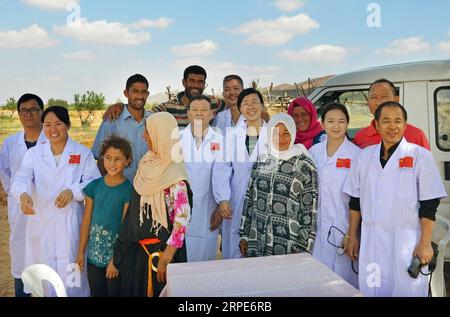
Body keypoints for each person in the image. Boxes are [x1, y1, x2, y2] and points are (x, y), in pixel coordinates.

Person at [343, 101, 447, 297]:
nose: (393, 126)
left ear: (405, 125)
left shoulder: (419, 156)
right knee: (372, 289)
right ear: (376, 125)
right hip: (371, 242)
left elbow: (429, 204)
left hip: (406, 243)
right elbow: (355, 201)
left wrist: (425, 243)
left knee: (405, 289)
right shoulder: (364, 157)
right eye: (386, 121)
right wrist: (352, 236)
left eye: (398, 121)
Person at [11, 106, 101, 297]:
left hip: (71, 224)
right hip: (43, 223)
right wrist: (23, 195)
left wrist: (73, 191)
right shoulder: (34, 154)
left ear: (68, 125)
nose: (53, 129)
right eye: (48, 125)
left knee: (74, 278)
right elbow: (21, 179)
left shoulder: (82, 153)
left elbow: (94, 182)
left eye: (58, 124)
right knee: (47, 276)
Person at [113, 112, 192, 297]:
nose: (144, 136)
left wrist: (165, 259)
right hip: (138, 253)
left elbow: (182, 220)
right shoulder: (147, 163)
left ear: (160, 134)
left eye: (148, 132)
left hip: (163, 257)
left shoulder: (175, 173)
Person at [239, 113, 318, 257]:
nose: (280, 139)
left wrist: (303, 247)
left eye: (286, 133)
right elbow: (249, 199)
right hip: (257, 238)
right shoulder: (262, 159)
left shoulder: (305, 165)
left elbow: (309, 210)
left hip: (289, 244)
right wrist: (244, 235)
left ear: (293, 133)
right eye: (275, 133)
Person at [212, 88, 268, 259]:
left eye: (254, 102)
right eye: (245, 103)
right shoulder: (232, 136)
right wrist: (222, 199)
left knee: (262, 248)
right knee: (235, 249)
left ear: (262, 105)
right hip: (237, 200)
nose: (250, 107)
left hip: (265, 200)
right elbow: (222, 168)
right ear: (240, 108)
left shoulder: (273, 134)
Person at [0, 94, 47, 297]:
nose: (29, 114)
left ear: (41, 112)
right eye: (24, 110)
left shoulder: (53, 139)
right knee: (20, 252)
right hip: (20, 209)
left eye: (34, 109)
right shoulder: (10, 143)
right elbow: (5, 173)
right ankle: (22, 292)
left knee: (46, 252)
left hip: (47, 208)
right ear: (18, 113)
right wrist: (16, 194)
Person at [309, 103, 360, 288]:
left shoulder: (356, 155)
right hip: (317, 227)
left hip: (344, 226)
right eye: (330, 121)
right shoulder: (314, 152)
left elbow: (358, 199)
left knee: (343, 282)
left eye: (341, 121)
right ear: (322, 124)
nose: (336, 126)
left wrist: (351, 233)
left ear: (347, 124)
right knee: (318, 280)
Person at [76, 135, 133, 297]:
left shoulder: (128, 190)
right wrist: (81, 252)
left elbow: (124, 228)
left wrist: (114, 260)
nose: (112, 163)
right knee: (96, 293)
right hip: (93, 257)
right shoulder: (94, 187)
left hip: (116, 259)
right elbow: (86, 221)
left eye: (117, 159)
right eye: (108, 158)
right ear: (102, 158)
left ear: (127, 160)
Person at [103, 65, 223, 128]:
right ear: (184, 82)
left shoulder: (213, 102)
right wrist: (121, 106)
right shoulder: (168, 108)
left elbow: (233, 103)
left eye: (200, 81)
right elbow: (142, 115)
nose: (196, 85)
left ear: (204, 84)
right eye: (192, 80)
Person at [181, 95, 223, 262]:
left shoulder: (221, 140)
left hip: (209, 211)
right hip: (180, 211)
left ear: (212, 114)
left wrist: (221, 206)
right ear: (188, 113)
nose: (200, 114)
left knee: (204, 260)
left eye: (204, 110)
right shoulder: (176, 139)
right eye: (195, 110)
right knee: (181, 259)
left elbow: (224, 176)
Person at [92, 74, 151, 182]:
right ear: (126, 93)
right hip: (119, 188)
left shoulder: (153, 121)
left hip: (148, 188)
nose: (139, 96)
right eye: (135, 91)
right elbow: (100, 158)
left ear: (147, 94)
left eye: (143, 92)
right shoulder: (112, 120)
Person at [353, 78, 430, 150]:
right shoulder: (360, 137)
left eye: (384, 97)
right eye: (373, 97)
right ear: (368, 101)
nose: (378, 102)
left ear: (396, 100)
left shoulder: (416, 135)